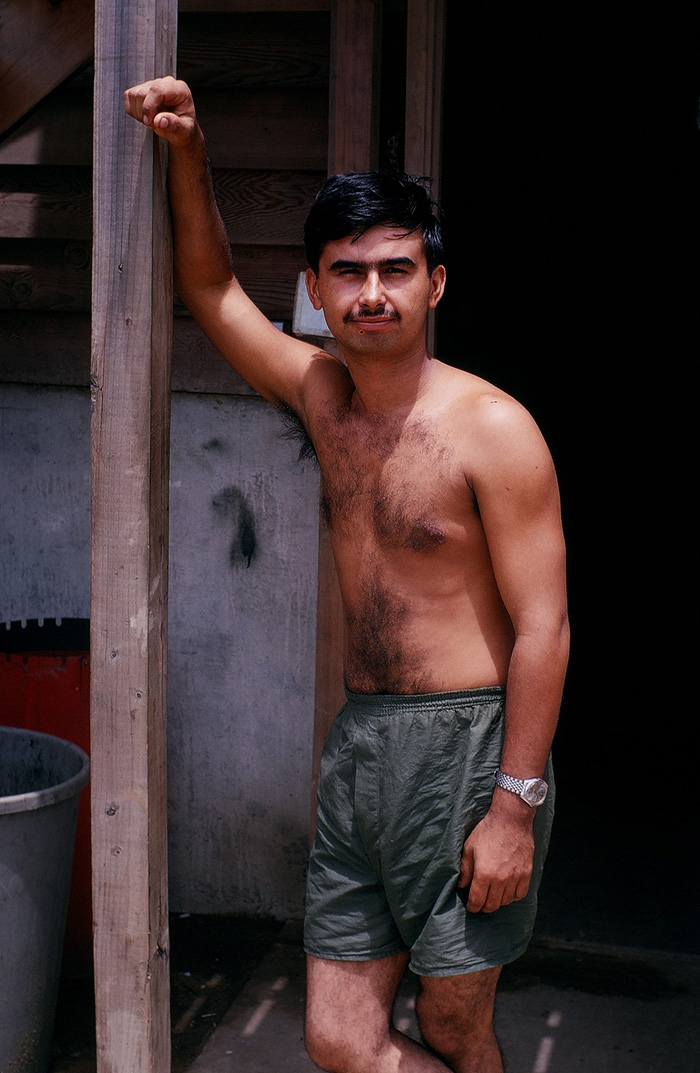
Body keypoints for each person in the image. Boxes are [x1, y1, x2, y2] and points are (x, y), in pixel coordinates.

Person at [124, 76, 570, 1073]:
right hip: (360, 742)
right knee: (338, 1037)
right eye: (349, 273)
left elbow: (545, 626)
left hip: (468, 749)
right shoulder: (321, 394)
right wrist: (188, 150)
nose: (372, 293)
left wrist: (514, 805)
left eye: (395, 269)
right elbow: (211, 290)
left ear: (434, 284)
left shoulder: (494, 427)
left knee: (454, 1026)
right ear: (318, 289)